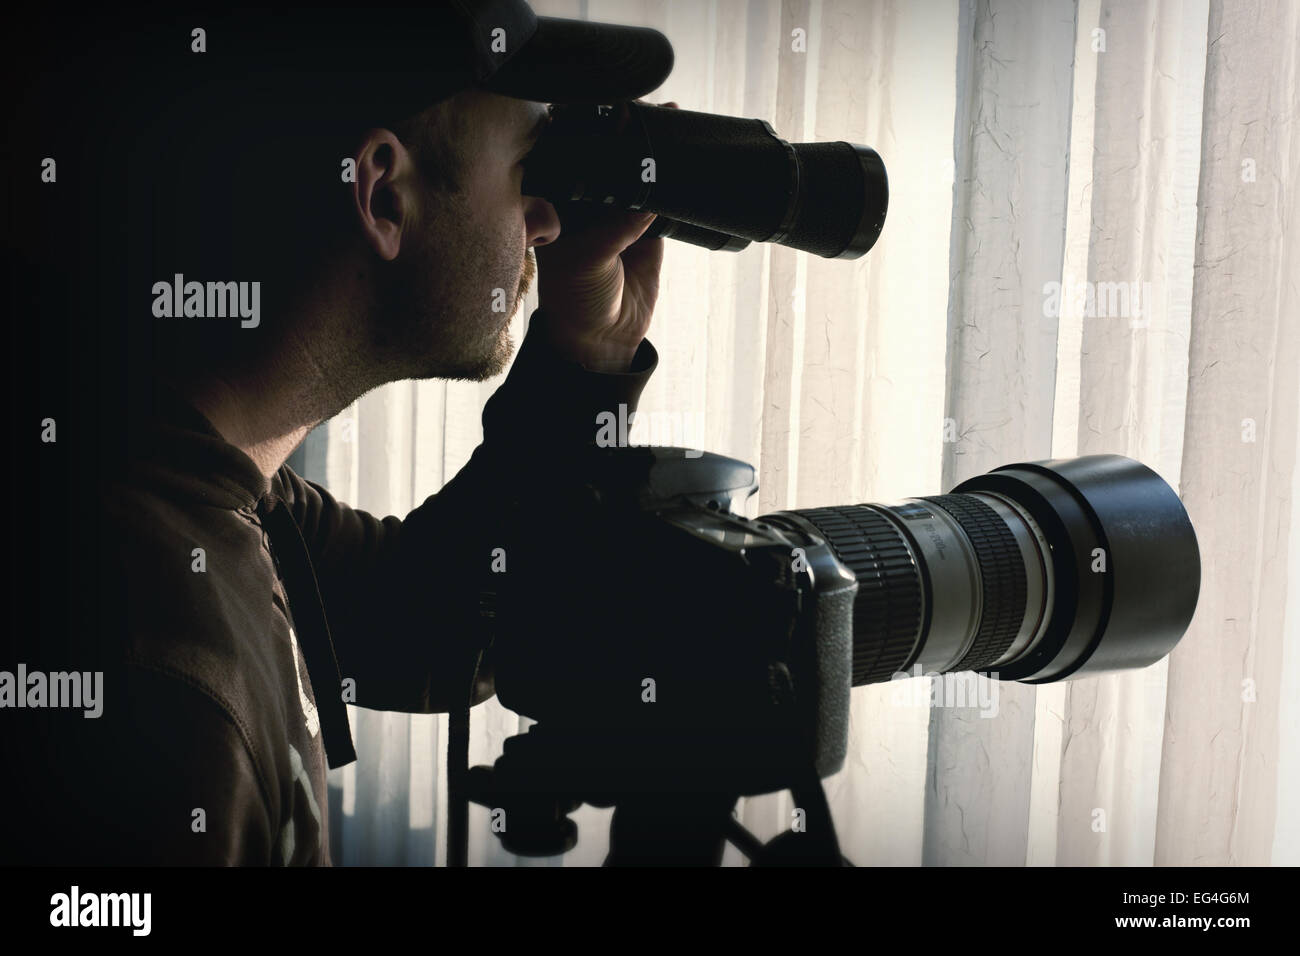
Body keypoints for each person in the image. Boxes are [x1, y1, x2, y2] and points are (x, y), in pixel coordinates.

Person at [5, 1, 675, 864]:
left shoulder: (191, 469)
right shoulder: (167, 699)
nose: (546, 222)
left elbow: (438, 617)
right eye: (525, 170)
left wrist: (586, 348)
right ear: (383, 193)